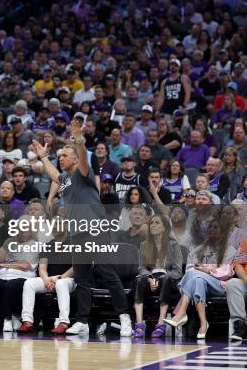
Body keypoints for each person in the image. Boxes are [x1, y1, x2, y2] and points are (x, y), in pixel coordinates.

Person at [33, 119, 133, 336]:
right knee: (82, 278)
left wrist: (78, 139)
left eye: (64, 156)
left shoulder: (83, 173)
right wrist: (43, 157)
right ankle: (83, 322)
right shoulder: (67, 180)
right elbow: (53, 175)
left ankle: (125, 318)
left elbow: (84, 160)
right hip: (76, 233)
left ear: (76, 160)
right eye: (59, 156)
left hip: (95, 230)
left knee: (106, 273)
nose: (60, 159)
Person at [164, 217, 237, 339]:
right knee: (197, 280)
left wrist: (205, 269)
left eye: (215, 227)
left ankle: (182, 312)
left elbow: (227, 272)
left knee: (195, 275)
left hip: (220, 286)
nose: (212, 230)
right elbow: (189, 270)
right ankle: (203, 323)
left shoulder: (230, 250)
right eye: (210, 227)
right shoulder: (198, 250)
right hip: (200, 285)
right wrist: (205, 271)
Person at [132, 215, 183, 338]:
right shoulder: (144, 245)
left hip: (168, 280)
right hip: (151, 279)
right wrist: (150, 278)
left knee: (165, 279)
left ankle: (161, 323)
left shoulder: (173, 245)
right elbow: (141, 268)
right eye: (151, 223)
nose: (153, 225)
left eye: (157, 223)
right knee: (139, 280)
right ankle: (139, 324)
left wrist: (161, 278)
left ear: (164, 228)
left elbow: (178, 270)